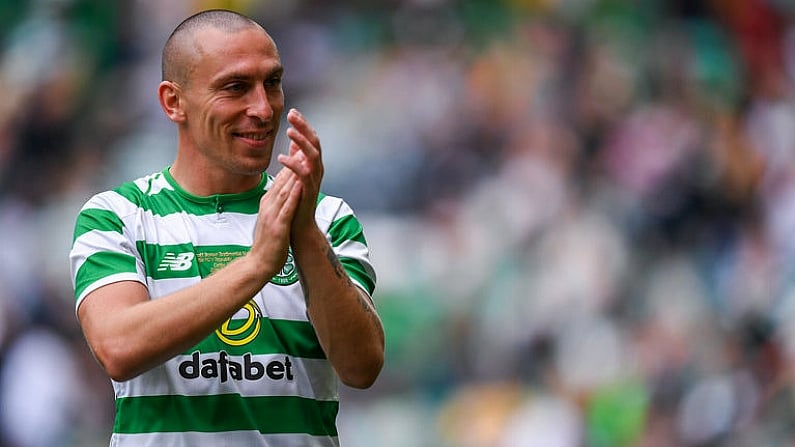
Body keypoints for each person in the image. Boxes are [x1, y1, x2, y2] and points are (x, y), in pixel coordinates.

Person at [68, 9, 384, 447]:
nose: (263, 108)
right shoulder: (118, 215)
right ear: (173, 102)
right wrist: (256, 265)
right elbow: (118, 348)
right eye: (236, 88)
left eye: (272, 83)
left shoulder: (327, 219)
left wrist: (305, 234)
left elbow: (361, 367)